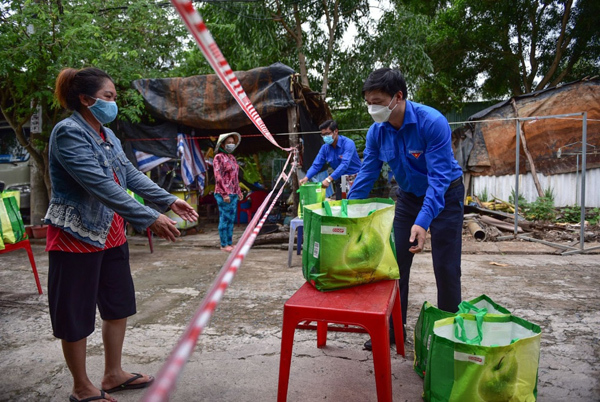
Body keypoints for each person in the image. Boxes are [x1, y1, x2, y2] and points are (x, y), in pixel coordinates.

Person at [45, 67, 199, 402]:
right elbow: (100, 186)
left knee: (118, 305)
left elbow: (127, 174)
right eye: (109, 97)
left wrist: (169, 200)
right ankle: (81, 387)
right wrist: (149, 217)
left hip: (111, 232)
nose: (114, 103)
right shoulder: (68, 133)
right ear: (86, 99)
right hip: (77, 234)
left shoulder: (108, 135)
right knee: (76, 314)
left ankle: (113, 374)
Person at [347, 68, 464, 351]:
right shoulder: (377, 132)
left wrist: (423, 222)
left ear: (398, 97)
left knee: (446, 267)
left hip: (446, 195)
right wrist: (347, 208)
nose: (371, 108)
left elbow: (438, 179)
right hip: (409, 197)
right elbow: (368, 171)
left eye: (376, 101)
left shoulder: (432, 123)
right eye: (368, 102)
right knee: (395, 266)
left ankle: (449, 339)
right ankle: (392, 331)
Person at [299, 120, 362, 199]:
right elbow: (316, 165)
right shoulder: (325, 148)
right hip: (339, 178)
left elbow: (344, 164)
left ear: (336, 131)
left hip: (355, 178)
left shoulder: (348, 143)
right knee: (340, 204)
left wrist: (329, 179)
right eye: (323, 135)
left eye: (327, 134)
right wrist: (306, 178)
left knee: (354, 204)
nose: (325, 137)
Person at [213, 132, 243, 252]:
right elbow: (218, 176)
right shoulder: (218, 158)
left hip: (234, 193)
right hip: (222, 193)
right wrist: (225, 193)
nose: (231, 145)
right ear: (222, 144)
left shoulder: (232, 158)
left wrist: (239, 191)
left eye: (232, 143)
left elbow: (235, 177)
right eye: (228, 143)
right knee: (224, 218)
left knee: (231, 219)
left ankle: (230, 242)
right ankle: (224, 244)